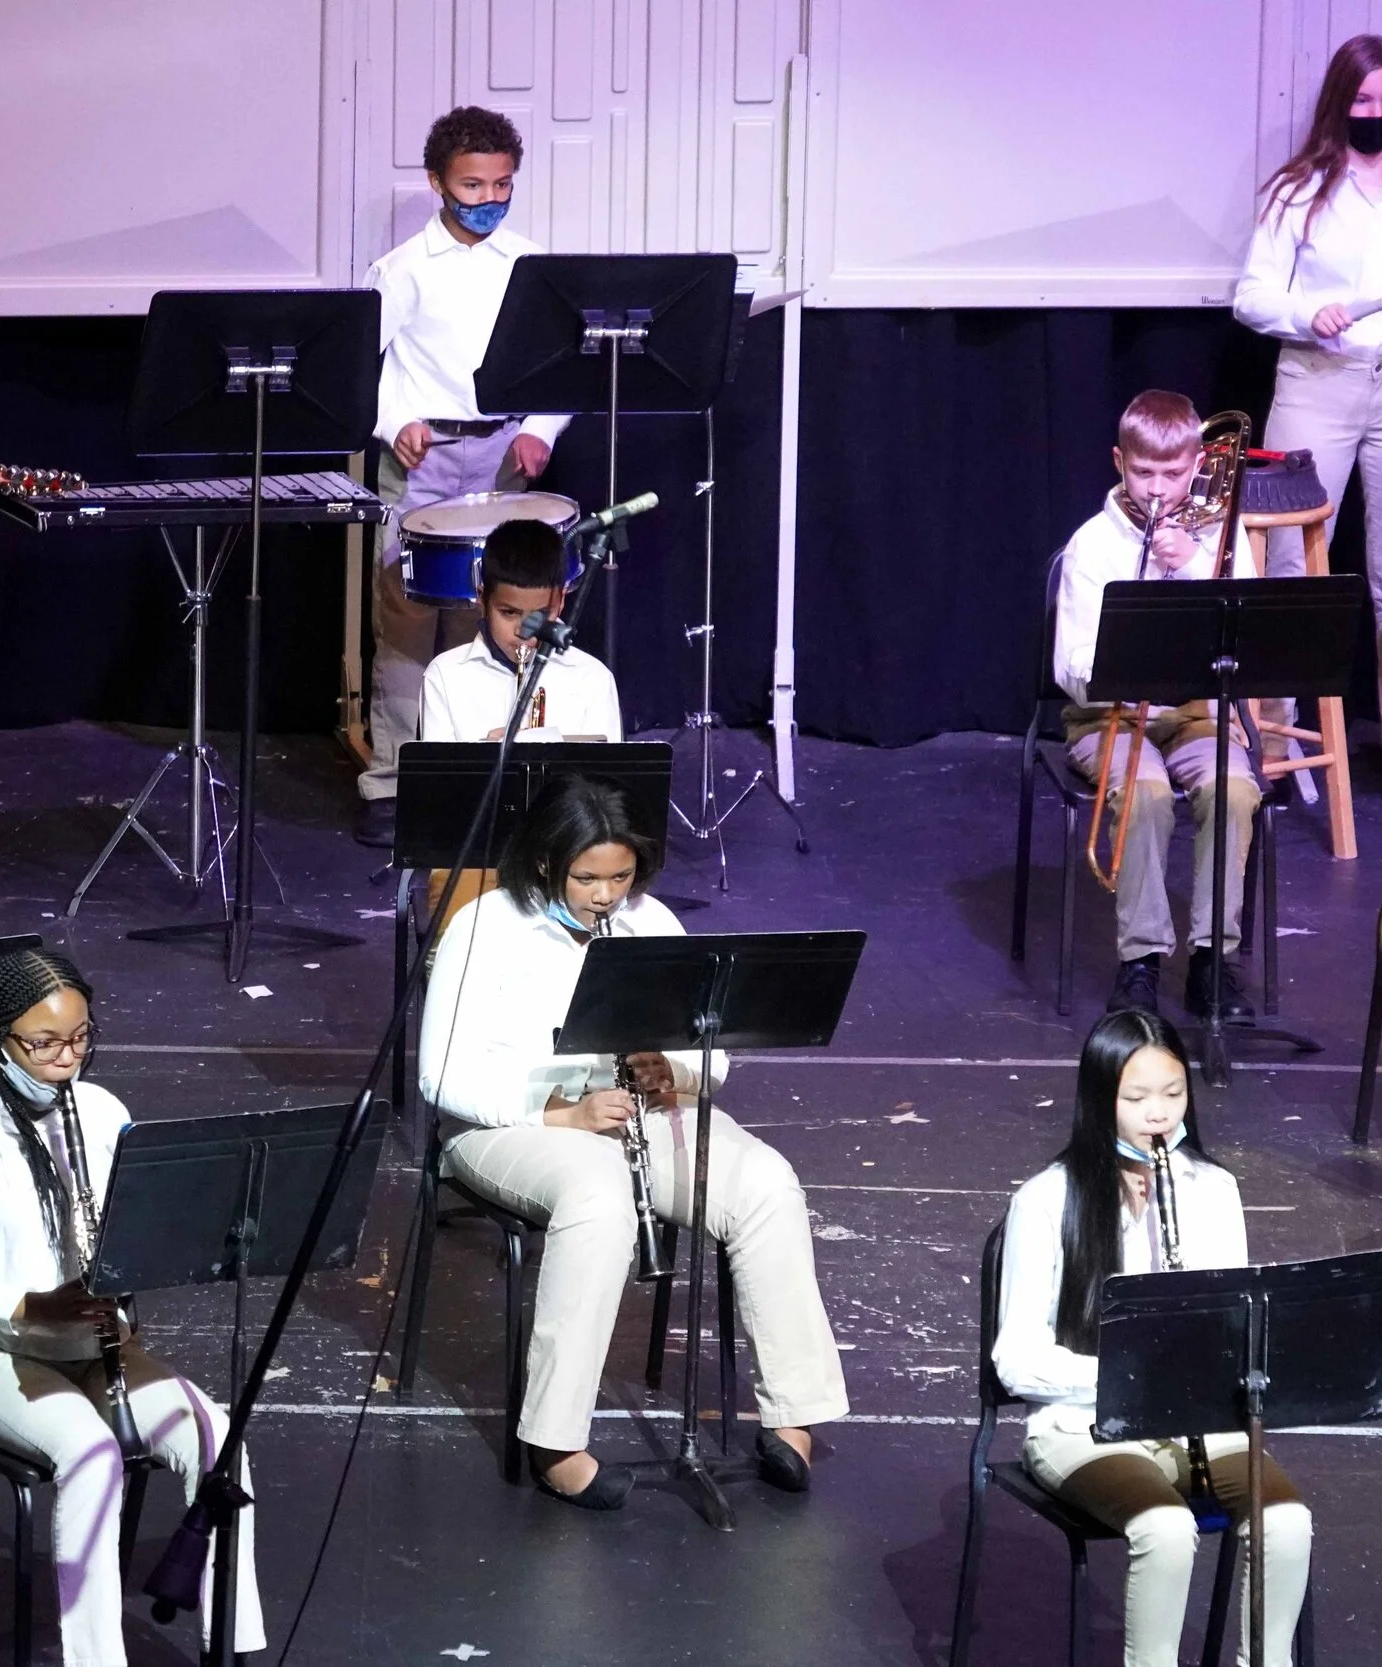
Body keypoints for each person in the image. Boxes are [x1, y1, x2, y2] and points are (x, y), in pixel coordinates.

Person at [417, 773, 849, 1507]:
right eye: (587, 878)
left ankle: (794, 1414)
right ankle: (554, 1439)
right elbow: (441, 1075)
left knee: (766, 1183)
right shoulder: (484, 926)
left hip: (636, 1112)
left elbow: (714, 1055)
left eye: (620, 877)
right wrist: (559, 1113)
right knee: (598, 1198)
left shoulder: (649, 922)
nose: (605, 896)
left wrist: (674, 1068)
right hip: (513, 1126)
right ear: (546, 861)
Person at [0, 947, 266, 1665]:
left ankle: (229, 1648)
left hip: (100, 1346)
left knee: (217, 1437)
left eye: (79, 1038)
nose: (67, 1057)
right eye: (43, 1042)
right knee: (92, 1453)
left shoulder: (103, 1113)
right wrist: (33, 1307)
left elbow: (136, 1228)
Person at [994, 1009, 1313, 1665]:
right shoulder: (1047, 1199)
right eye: (1136, 1098)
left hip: (1200, 1423)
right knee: (1166, 1530)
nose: (1159, 1114)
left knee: (1286, 1521)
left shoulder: (1213, 1189)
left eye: (1173, 1093)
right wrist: (1130, 1378)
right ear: (1098, 1100)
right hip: (1083, 1424)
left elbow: (1230, 1322)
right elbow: (1015, 1358)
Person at [1234, 31, 1382, 742]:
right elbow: (1251, 295)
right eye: (1365, 100)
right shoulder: (1299, 190)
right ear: (1340, 103)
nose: (1378, 113)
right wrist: (1307, 314)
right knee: (1288, 565)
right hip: (1318, 385)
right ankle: (1275, 740)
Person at [356, 105, 572, 847]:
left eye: (502, 184)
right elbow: (363, 365)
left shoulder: (530, 265)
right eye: (473, 185)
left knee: (495, 614)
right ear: (437, 182)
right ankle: (393, 783)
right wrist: (396, 421)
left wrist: (540, 429)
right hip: (425, 457)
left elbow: (558, 364)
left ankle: (485, 774)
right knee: (409, 619)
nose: (488, 199)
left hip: (502, 453)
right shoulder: (402, 269)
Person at [1054, 391, 1261, 1021]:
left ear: (1197, 465)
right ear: (1120, 462)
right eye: (1144, 472)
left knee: (1233, 790)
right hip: (1111, 716)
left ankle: (1211, 958)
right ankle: (1140, 959)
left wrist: (1196, 566)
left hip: (1198, 713)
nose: (1157, 489)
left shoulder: (1221, 535)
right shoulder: (1093, 545)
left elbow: (1250, 629)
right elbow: (1070, 666)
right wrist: (1124, 664)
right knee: (1144, 794)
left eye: (1173, 474)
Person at [419, 516, 620, 746]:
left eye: (540, 615)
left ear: (561, 601)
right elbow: (438, 769)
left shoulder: (592, 678)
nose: (525, 631)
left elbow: (606, 769)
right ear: (482, 599)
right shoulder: (445, 675)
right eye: (509, 612)